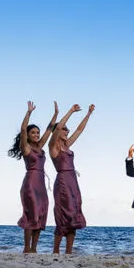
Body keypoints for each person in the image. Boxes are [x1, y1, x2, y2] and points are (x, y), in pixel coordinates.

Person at [10, 101, 59, 253]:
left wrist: (56, 114)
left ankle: (34, 249)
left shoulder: (40, 146)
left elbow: (50, 130)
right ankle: (26, 248)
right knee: (31, 215)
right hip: (30, 184)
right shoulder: (26, 148)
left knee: (41, 215)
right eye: (33, 133)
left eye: (37, 133)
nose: (37, 135)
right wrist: (29, 112)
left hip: (41, 185)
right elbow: (24, 129)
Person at [49, 104, 95, 254]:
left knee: (74, 214)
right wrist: (70, 111)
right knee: (63, 214)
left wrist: (88, 114)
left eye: (67, 129)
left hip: (73, 182)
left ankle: (69, 252)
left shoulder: (67, 145)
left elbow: (79, 130)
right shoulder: (53, 147)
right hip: (62, 182)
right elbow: (56, 128)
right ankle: (56, 251)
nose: (67, 131)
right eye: (64, 129)